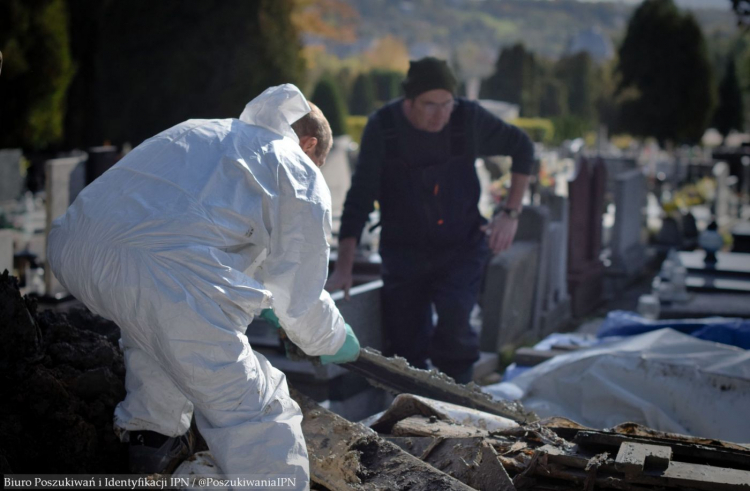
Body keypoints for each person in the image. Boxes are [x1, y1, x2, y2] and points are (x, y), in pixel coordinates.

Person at [47, 84, 360, 488]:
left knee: (155, 337)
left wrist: (261, 296)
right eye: (318, 161)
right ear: (309, 143)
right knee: (258, 412)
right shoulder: (297, 167)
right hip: (166, 272)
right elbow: (300, 298)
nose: (315, 169)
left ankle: (151, 443)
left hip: (75, 246)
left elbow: (203, 222)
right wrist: (333, 339)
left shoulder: (206, 130)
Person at [326, 58, 534, 384]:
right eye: (429, 105)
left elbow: (522, 147)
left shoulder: (467, 118)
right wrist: (344, 267)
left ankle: (462, 406)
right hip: (403, 249)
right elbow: (360, 198)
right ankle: (414, 414)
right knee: (406, 346)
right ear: (409, 100)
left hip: (461, 245)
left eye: (446, 104)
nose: (440, 115)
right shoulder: (384, 127)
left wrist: (510, 214)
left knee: (455, 326)